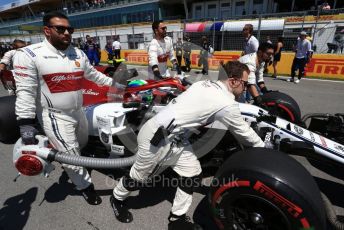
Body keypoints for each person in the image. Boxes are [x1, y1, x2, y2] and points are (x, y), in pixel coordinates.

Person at [109, 60, 267, 229]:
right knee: (139, 177)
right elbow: (246, 134)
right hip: (157, 140)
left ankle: (176, 219)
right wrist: (266, 153)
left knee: (192, 173)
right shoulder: (226, 103)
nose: (245, 88)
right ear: (234, 81)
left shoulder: (205, 84)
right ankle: (116, 198)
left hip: (176, 139)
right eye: (245, 83)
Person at [13, 11, 116, 205]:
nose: (67, 33)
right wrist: (25, 124)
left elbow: (95, 75)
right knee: (71, 156)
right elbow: (25, 93)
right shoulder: (29, 54)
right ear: (47, 30)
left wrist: (118, 84)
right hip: (55, 117)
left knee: (82, 146)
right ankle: (85, 186)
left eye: (70, 29)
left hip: (79, 111)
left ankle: (80, 166)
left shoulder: (77, 52)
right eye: (60, 29)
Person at [239, 42, 274, 106]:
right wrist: (257, 99)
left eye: (272, 54)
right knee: (241, 107)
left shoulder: (261, 61)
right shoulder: (250, 62)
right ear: (260, 52)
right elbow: (250, 84)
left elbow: (259, 79)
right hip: (232, 85)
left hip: (241, 83)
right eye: (268, 54)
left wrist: (265, 92)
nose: (271, 56)